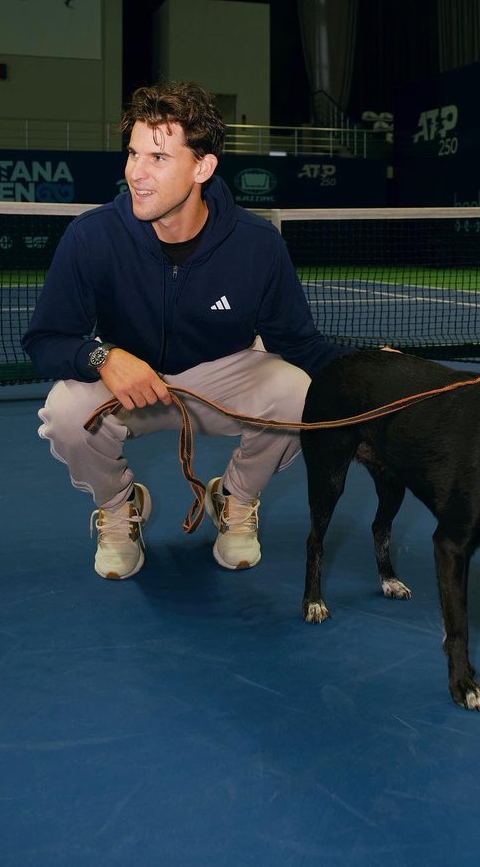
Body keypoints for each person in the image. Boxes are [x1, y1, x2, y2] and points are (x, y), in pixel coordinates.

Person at [23, 81, 347, 579]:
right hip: (133, 387)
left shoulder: (257, 244)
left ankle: (235, 500)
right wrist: (102, 358)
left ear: (203, 167)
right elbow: (46, 340)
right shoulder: (91, 237)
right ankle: (119, 508)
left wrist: (368, 374)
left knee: (299, 393)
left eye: (157, 157)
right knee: (66, 413)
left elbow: (299, 343)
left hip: (221, 381)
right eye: (132, 154)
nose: (136, 173)